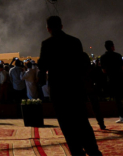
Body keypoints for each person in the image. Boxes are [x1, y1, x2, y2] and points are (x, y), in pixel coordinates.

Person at [37, 16, 102, 156]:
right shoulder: (75, 41)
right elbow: (81, 64)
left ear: (48, 29)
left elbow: (43, 66)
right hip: (75, 87)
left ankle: (77, 152)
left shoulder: (47, 44)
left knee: (67, 125)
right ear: (61, 26)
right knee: (82, 122)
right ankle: (93, 151)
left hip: (59, 90)